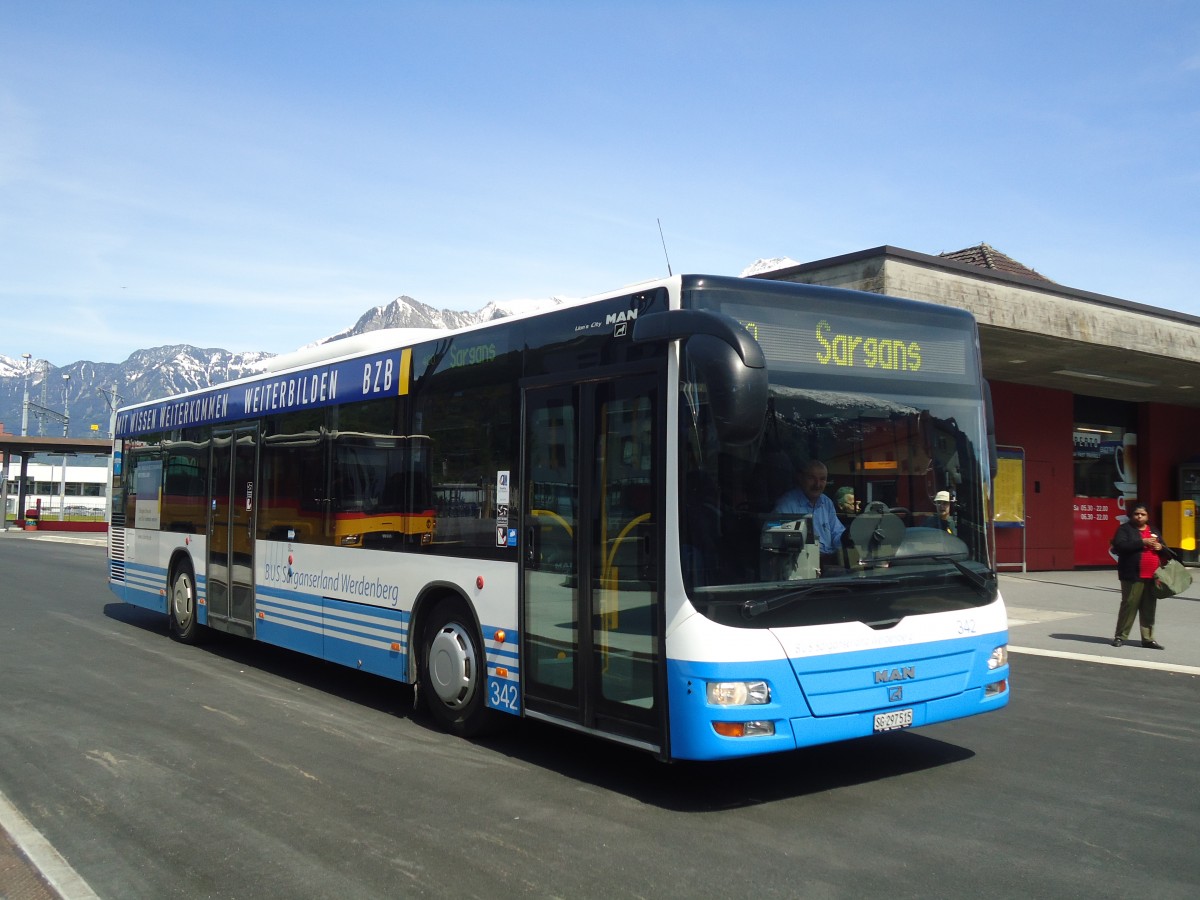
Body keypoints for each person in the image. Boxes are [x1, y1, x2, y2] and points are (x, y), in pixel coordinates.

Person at [1109, 501, 1165, 649]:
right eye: (1137, 514)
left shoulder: (1153, 529)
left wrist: (1160, 547)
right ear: (1131, 515)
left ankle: (1148, 639)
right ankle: (1120, 636)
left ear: (1147, 516)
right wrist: (1142, 542)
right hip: (1132, 574)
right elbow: (1120, 546)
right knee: (1129, 605)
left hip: (1152, 575)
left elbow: (1164, 548)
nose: (1139, 517)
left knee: (1149, 608)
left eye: (1143, 514)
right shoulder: (1125, 529)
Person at [774, 460, 845, 557]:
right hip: (802, 563)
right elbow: (777, 540)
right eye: (812, 478)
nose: (817, 484)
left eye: (822, 479)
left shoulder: (826, 502)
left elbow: (837, 533)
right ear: (800, 478)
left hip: (829, 561)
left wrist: (847, 538)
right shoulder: (787, 504)